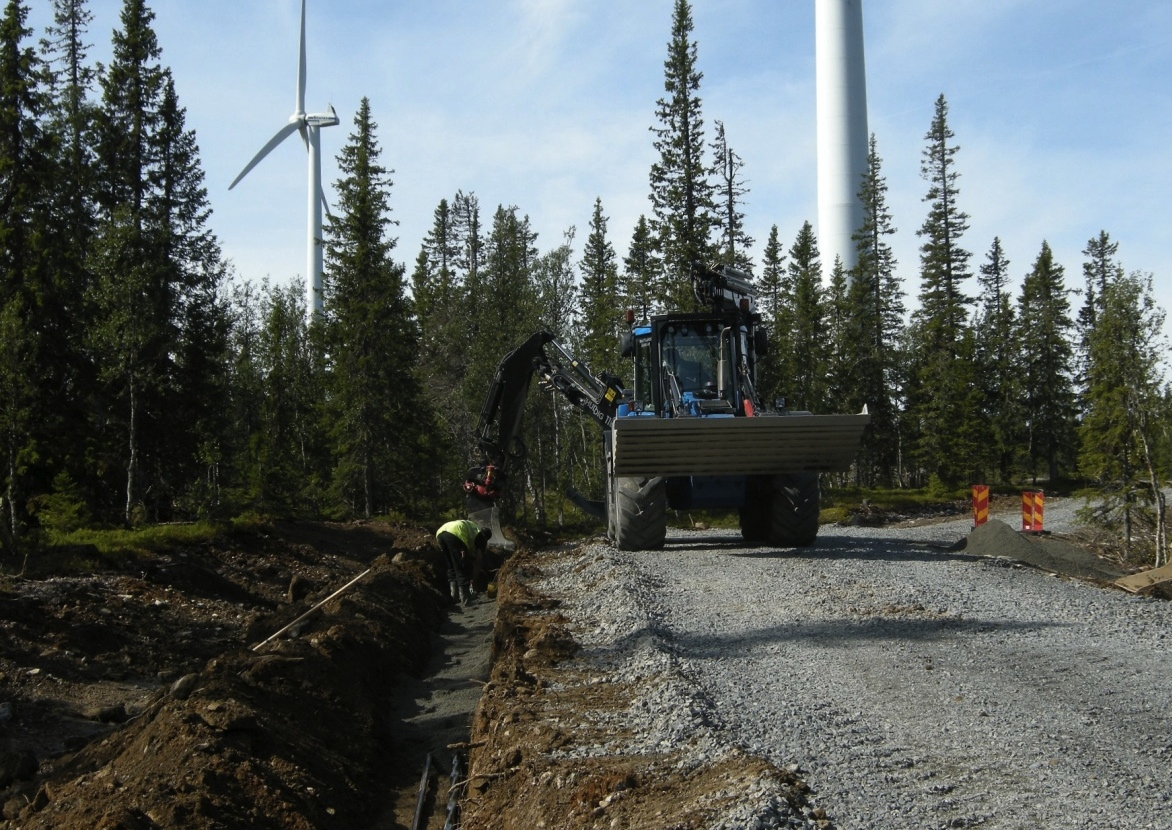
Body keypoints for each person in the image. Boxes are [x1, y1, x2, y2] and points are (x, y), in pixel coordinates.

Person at [435, 519, 491, 606]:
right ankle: (466, 599)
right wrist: (474, 580)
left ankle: (454, 596)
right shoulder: (482, 538)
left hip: (440, 533)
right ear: (486, 539)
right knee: (461, 566)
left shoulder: (474, 530)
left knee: (452, 566)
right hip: (456, 534)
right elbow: (478, 560)